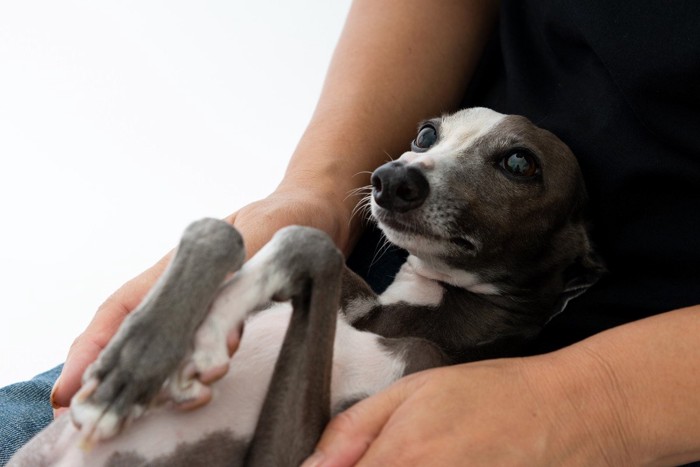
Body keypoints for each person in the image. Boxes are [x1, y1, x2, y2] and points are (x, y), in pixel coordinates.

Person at [2, 0, 699, 465]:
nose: (407, 168)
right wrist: (315, 190)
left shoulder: (417, 358)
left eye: (514, 166)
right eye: (427, 139)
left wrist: (591, 400)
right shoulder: (346, 287)